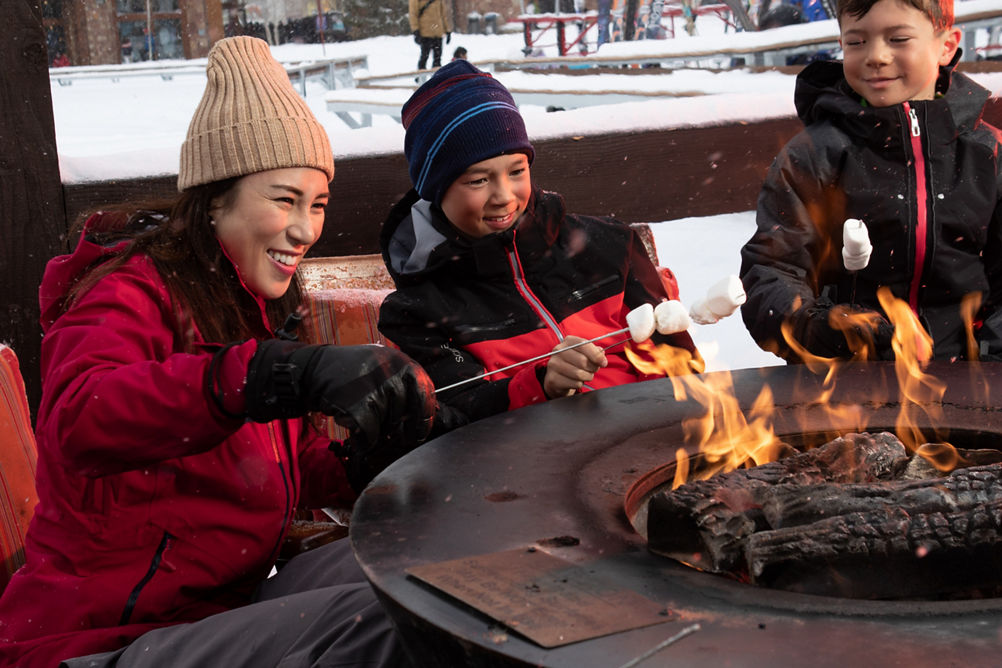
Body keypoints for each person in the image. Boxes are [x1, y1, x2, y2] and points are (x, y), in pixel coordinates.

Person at [0, 36, 435, 667]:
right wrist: (269, 374)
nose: (305, 229)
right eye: (284, 199)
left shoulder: (248, 304)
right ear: (214, 200)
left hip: (223, 611)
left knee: (422, 569)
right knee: (387, 622)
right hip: (100, 641)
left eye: (317, 205)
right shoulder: (126, 292)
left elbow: (278, 466)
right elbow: (79, 418)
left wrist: (372, 455)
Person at [377, 60, 702, 431]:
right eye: (478, 180)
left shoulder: (610, 246)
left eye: (517, 171)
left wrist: (645, 422)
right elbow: (455, 419)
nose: (504, 196)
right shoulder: (418, 310)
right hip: (526, 459)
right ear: (437, 189)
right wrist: (540, 385)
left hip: (649, 439)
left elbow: (680, 362)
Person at [739, 0, 1002, 364]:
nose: (876, 56)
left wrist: (990, 361)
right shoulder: (815, 156)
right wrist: (824, 328)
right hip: (843, 375)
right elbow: (773, 270)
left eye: (898, 39)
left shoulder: (988, 154)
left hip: (966, 372)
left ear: (946, 46)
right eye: (857, 42)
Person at [410, 0, 452, 70]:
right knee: (424, 58)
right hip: (425, 33)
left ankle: (437, 75)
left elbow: (443, 14)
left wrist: (447, 30)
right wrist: (415, 30)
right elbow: (413, 14)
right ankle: (421, 75)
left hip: (438, 33)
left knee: (437, 59)